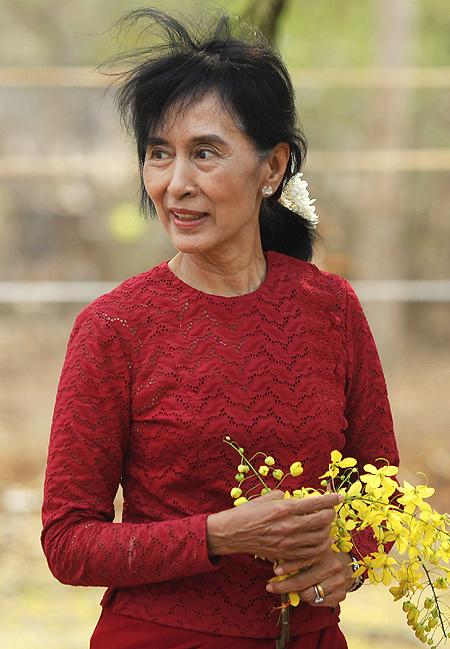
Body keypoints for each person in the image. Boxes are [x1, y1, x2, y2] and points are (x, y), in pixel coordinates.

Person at [41, 8, 399, 649]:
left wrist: (348, 560)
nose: (175, 184)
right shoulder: (114, 327)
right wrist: (219, 535)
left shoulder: (331, 309)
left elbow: (384, 495)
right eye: (158, 154)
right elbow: (69, 544)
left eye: (205, 153)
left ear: (272, 168)